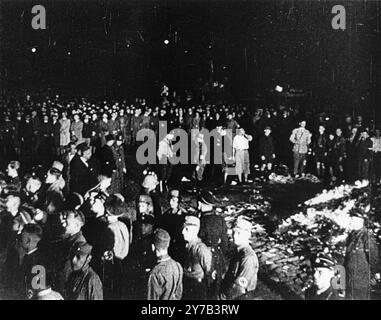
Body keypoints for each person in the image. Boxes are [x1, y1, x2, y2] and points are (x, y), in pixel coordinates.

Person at [197, 190, 228, 299]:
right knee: (216, 287)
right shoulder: (221, 219)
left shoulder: (200, 221)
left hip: (205, 258)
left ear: (200, 204)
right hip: (218, 257)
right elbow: (225, 243)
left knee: (204, 287)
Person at [344, 210, 380, 300]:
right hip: (350, 280)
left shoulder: (367, 236)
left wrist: (371, 276)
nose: (350, 222)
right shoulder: (351, 236)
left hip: (361, 281)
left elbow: (373, 258)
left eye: (353, 219)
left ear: (360, 221)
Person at [220, 217, 258, 300]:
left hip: (240, 295)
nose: (234, 236)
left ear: (248, 235)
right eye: (233, 232)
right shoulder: (238, 251)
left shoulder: (248, 257)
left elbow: (240, 286)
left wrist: (225, 297)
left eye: (239, 233)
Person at [181, 215, 213, 300]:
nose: (183, 232)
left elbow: (209, 273)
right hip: (187, 286)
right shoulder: (187, 246)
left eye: (186, 229)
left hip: (197, 290)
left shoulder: (201, 250)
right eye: (183, 228)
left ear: (195, 231)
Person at [147, 228, 183, 300]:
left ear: (153, 247)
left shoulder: (155, 272)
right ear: (167, 245)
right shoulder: (177, 266)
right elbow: (178, 294)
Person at [158, 189, 186, 263]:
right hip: (168, 246)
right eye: (170, 200)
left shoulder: (183, 217)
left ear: (179, 201)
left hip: (178, 248)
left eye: (173, 200)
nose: (170, 202)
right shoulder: (165, 216)